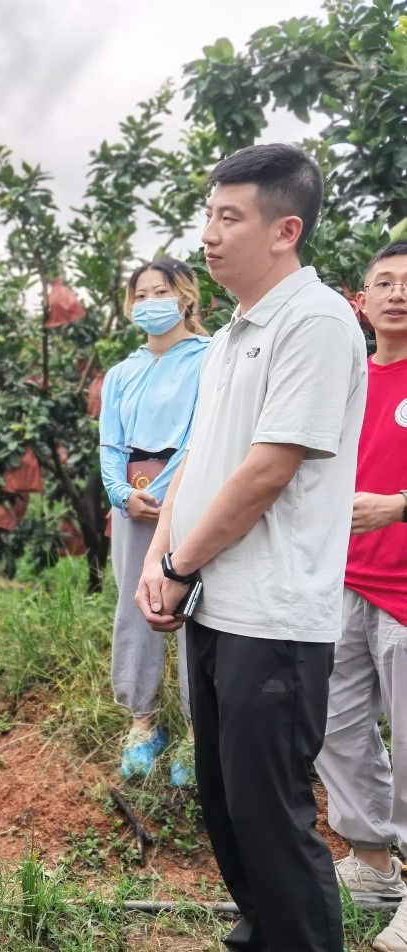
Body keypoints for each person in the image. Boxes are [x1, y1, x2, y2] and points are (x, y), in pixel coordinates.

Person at [136, 143, 367, 951]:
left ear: (284, 229)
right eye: (207, 214)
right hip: (217, 604)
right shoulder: (234, 333)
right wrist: (157, 557)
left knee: (272, 819)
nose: (207, 234)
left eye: (228, 217)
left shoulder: (315, 321)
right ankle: (258, 936)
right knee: (227, 807)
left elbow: (268, 469)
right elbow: (200, 456)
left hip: (272, 618)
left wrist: (177, 563)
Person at [312, 240, 407, 952]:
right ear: (362, 299)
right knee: (333, 728)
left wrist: (399, 507)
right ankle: (374, 862)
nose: (396, 293)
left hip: (404, 590)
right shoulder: (344, 378)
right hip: (340, 582)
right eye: (384, 281)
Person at [99, 258, 209, 784]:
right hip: (133, 503)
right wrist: (122, 493)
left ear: (185, 297)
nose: (149, 303)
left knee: (194, 600)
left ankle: (196, 730)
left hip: (193, 497)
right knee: (133, 604)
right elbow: (110, 443)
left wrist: (167, 494)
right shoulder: (121, 372)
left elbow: (199, 434)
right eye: (139, 295)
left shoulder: (211, 359)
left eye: (159, 291)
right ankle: (142, 722)